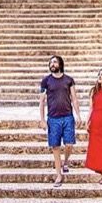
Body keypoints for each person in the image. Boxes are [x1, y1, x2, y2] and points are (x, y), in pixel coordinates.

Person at [39, 56, 82, 187]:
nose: (52, 64)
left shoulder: (69, 80)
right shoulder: (46, 81)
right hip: (53, 118)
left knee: (69, 144)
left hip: (68, 117)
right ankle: (59, 175)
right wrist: (42, 120)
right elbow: (42, 101)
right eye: (51, 62)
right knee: (55, 147)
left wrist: (78, 115)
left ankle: (66, 161)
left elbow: (74, 98)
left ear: (60, 64)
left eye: (55, 62)